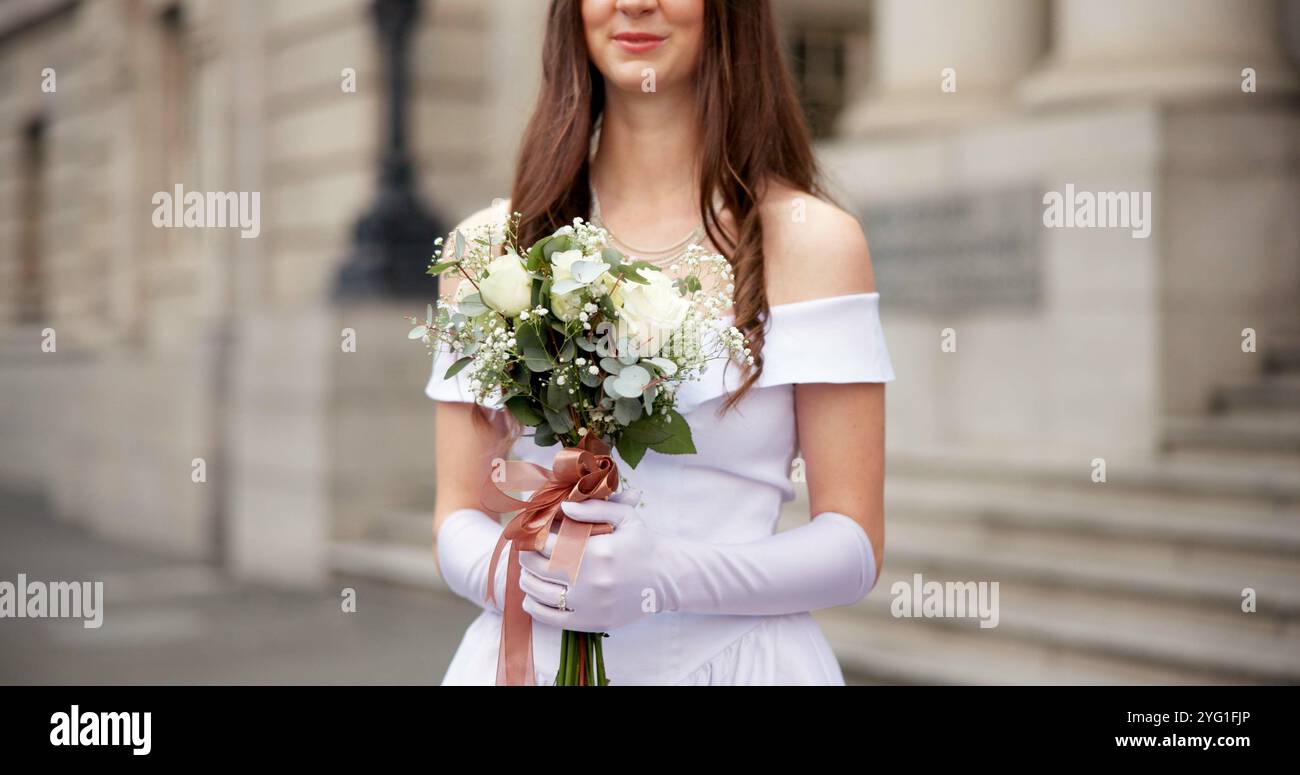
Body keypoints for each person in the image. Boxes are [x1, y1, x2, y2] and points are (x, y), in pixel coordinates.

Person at [429, 0, 894, 685]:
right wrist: (534, 581)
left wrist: (670, 575)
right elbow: (455, 514)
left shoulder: (812, 240)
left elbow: (854, 545)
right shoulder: (490, 248)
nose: (634, 3)